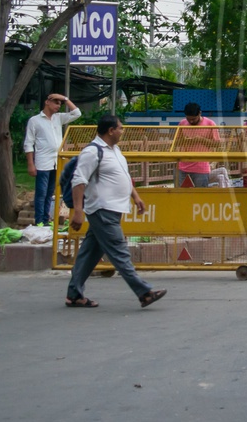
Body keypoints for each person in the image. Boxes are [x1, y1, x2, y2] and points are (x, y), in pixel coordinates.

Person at [64, 113, 164, 309]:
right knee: (119, 251)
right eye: (120, 128)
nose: (122, 131)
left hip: (113, 209)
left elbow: (124, 177)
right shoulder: (92, 152)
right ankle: (144, 292)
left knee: (90, 252)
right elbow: (79, 180)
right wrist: (78, 210)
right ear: (111, 131)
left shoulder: (115, 151)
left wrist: (135, 197)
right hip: (102, 209)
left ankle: (74, 294)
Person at [24, 91, 79, 225]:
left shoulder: (58, 118)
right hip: (43, 162)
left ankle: (46, 220)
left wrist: (65, 99)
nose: (58, 106)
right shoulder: (35, 120)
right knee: (41, 193)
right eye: (55, 102)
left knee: (50, 193)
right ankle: (39, 221)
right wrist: (31, 164)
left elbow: (77, 113)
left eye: (60, 103)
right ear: (47, 102)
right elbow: (28, 143)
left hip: (56, 161)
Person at [177, 102, 221, 187]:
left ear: (200, 113)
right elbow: (177, 142)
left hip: (201, 167)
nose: (191, 121)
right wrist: (186, 141)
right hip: (183, 166)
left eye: (193, 119)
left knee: (200, 194)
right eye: (188, 119)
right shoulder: (182, 123)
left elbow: (217, 144)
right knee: (180, 194)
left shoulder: (210, 124)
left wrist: (201, 140)